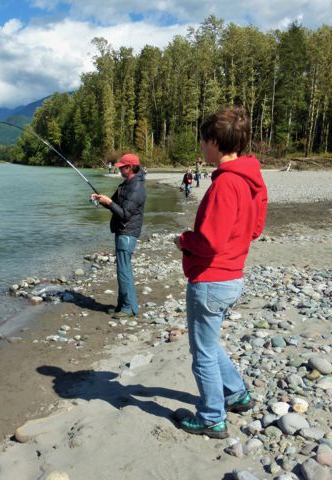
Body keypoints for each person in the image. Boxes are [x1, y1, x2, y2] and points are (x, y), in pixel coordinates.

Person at [173, 107, 268, 439]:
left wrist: (183, 239)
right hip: (232, 277)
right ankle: (237, 394)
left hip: (212, 279)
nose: (202, 146)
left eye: (203, 140)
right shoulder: (251, 178)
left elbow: (209, 241)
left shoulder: (226, 184)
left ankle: (212, 417)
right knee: (210, 345)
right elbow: (255, 229)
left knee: (201, 353)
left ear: (213, 141)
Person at [91, 153, 146, 318]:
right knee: (123, 270)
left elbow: (124, 214)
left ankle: (128, 309)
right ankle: (123, 305)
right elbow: (114, 204)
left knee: (124, 271)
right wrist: (102, 200)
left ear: (130, 168)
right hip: (122, 231)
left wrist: (109, 202)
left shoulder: (136, 188)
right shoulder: (127, 184)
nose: (120, 169)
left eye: (122, 167)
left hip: (127, 233)